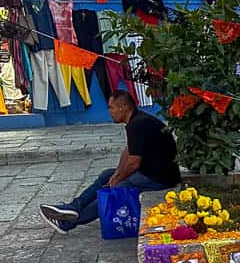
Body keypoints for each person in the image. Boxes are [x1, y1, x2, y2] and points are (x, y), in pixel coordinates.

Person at [39, 91, 180, 233]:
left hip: (159, 177)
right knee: (107, 175)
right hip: (148, 170)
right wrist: (116, 174)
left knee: (117, 189)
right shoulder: (136, 120)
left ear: (123, 107)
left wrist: (118, 180)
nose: (109, 112)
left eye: (111, 108)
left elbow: (134, 163)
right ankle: (74, 207)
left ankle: (67, 222)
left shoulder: (138, 124)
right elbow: (128, 151)